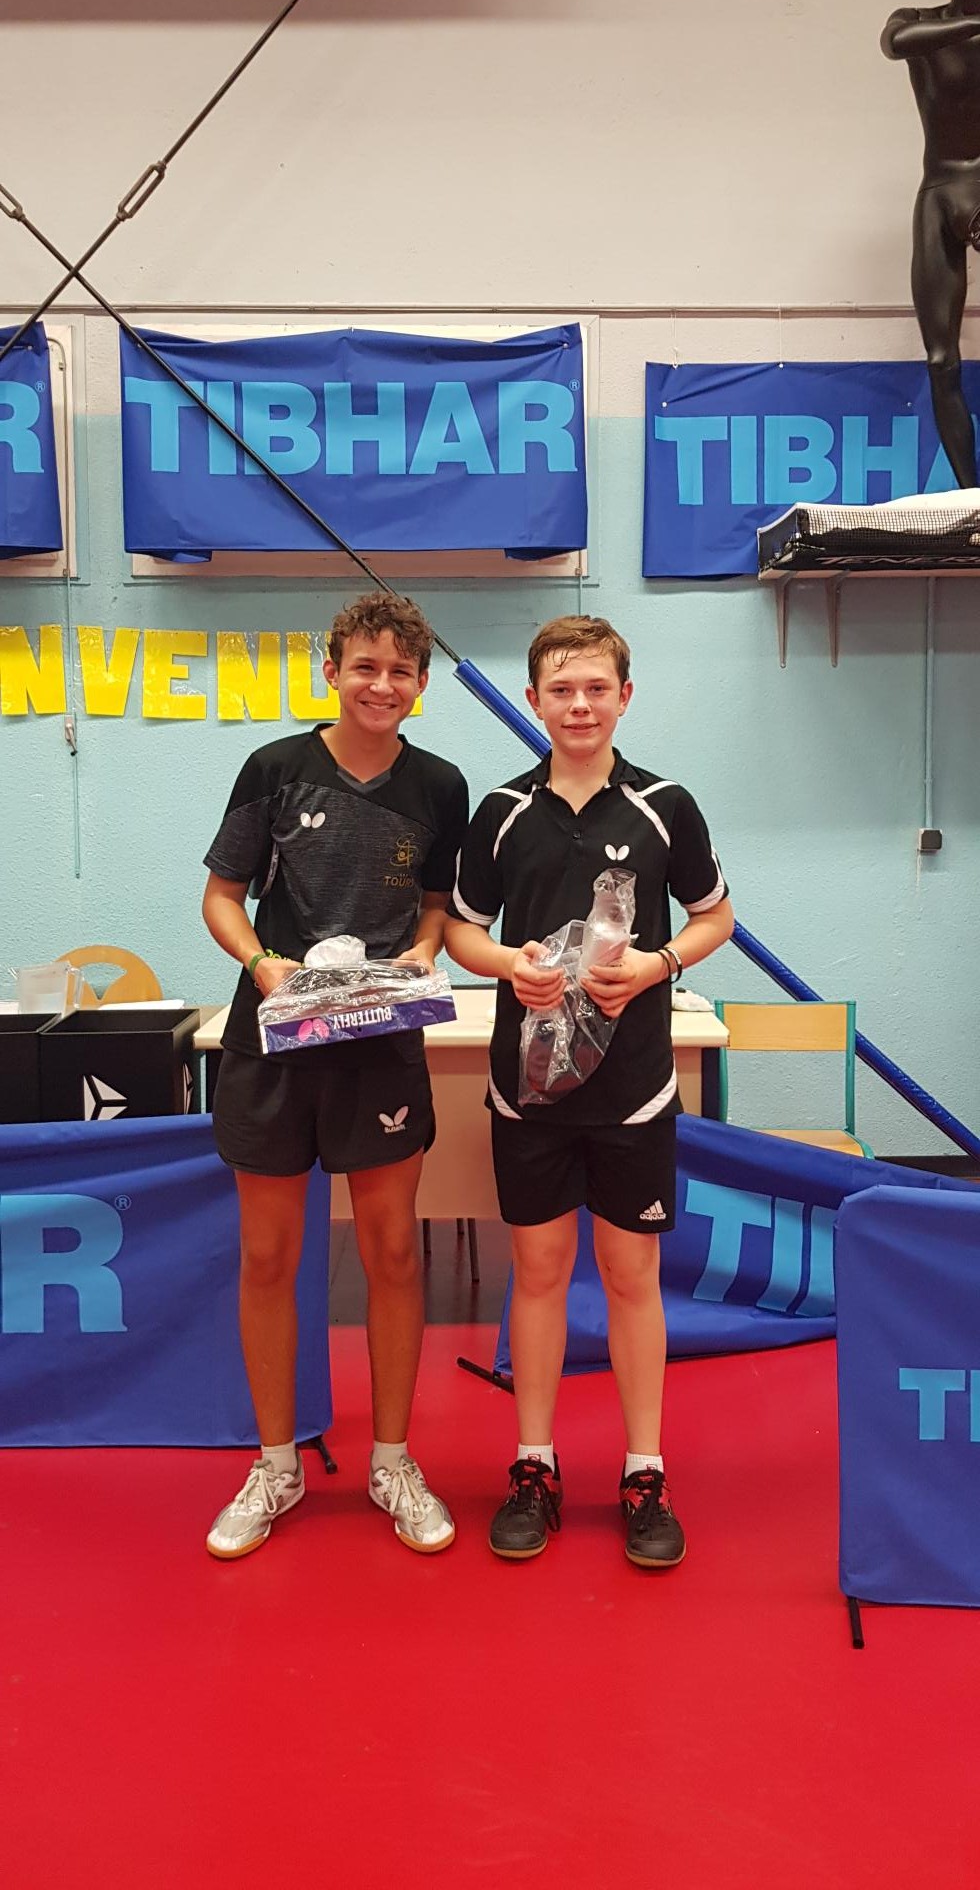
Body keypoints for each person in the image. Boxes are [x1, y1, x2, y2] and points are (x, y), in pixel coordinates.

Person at [446, 615, 733, 1567]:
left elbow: (716, 917)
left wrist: (657, 964)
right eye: (561, 690)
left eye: (596, 688)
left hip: (635, 1090)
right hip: (527, 1092)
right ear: (533, 701)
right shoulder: (501, 810)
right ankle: (534, 1465)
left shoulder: (665, 807)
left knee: (630, 1276)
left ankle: (645, 1471)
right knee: (536, 1273)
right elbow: (461, 930)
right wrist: (510, 965)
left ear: (624, 697)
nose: (579, 705)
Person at [201, 592, 468, 1560]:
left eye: (399, 671)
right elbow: (221, 897)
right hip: (273, 1043)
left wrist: (424, 952)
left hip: (379, 1042)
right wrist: (263, 965)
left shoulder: (439, 785)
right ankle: (275, 1463)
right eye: (364, 666)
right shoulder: (273, 768)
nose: (380, 685)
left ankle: (392, 1461)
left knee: (393, 1252)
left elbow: (436, 905)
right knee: (269, 1258)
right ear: (332, 671)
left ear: (420, 685)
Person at [882, 0, 980, 486]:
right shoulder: (919, 20)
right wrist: (972, 24)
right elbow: (895, 42)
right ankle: (974, 498)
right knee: (941, 360)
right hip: (939, 191)